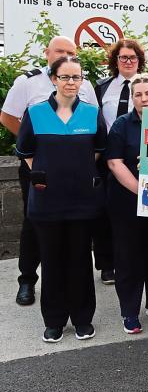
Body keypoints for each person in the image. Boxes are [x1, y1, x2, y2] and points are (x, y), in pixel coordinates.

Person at [1, 36, 98, 306]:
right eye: (59, 51)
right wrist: (40, 149)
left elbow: (93, 124)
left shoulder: (85, 84)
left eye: (70, 52)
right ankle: (27, 281)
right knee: (35, 222)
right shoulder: (27, 81)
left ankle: (70, 288)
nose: (64, 55)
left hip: (75, 171)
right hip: (37, 168)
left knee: (76, 229)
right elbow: (7, 116)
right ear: (47, 53)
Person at [15, 56, 106, 342]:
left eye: (76, 78)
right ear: (53, 79)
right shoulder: (36, 111)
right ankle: (54, 321)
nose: (71, 83)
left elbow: (99, 148)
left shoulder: (92, 112)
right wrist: (46, 174)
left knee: (80, 260)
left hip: (82, 200)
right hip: (47, 202)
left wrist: (78, 172)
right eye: (65, 77)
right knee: (52, 261)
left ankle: (82, 319)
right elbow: (26, 151)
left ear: (82, 81)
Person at [106, 74, 148, 333]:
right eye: (138, 94)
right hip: (127, 202)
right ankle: (130, 312)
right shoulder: (122, 124)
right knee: (129, 258)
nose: (144, 99)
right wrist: (142, 192)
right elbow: (114, 162)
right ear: (133, 98)